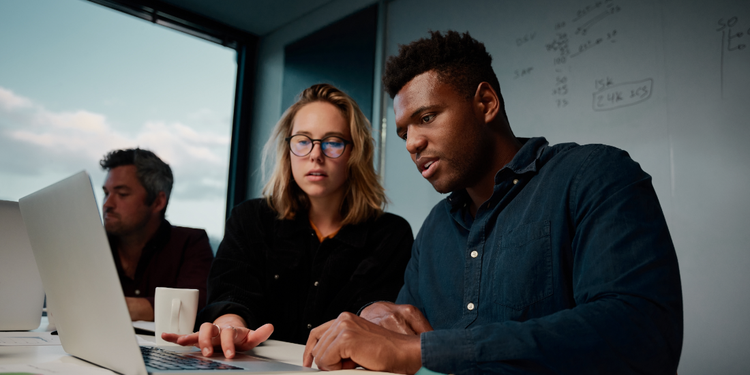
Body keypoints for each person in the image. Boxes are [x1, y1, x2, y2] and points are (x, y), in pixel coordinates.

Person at [303, 31, 683, 374]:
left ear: (485, 102)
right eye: (404, 132)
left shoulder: (593, 175)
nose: (412, 143)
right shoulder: (435, 228)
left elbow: (641, 334)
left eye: (428, 117)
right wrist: (376, 318)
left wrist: (425, 351)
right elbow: (399, 336)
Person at [162, 84, 414, 359]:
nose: (316, 155)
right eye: (303, 141)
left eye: (332, 142)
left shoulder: (391, 234)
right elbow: (232, 292)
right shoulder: (249, 219)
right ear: (288, 150)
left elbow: (376, 318)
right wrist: (230, 324)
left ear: (354, 153)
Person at [100, 148, 214, 321]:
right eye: (106, 193)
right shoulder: (93, 245)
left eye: (122, 194)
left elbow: (193, 307)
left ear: (158, 202)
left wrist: (103, 307)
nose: (107, 203)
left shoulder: (190, 243)